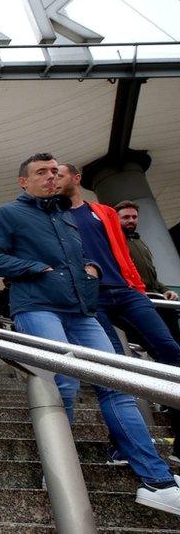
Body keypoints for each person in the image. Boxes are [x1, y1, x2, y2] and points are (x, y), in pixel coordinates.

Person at [0, 152, 180, 517]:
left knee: (117, 384)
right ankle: (56, 471)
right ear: (24, 181)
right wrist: (38, 268)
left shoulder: (66, 218)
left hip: (81, 312)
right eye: (41, 172)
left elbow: (83, 261)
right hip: (37, 307)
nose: (51, 177)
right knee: (64, 385)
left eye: (55, 172)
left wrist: (90, 277)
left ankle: (157, 481)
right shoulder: (9, 213)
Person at [54, 165, 180, 465]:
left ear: (76, 178)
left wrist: (136, 286)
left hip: (125, 292)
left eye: (58, 174)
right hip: (91, 297)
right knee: (111, 366)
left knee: (171, 352)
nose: (52, 179)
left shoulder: (104, 213)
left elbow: (121, 252)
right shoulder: (53, 215)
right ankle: (120, 444)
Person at [116, 200, 180, 347]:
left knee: (173, 340)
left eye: (134, 217)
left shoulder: (139, 242)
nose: (131, 220)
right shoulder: (115, 243)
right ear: (115, 218)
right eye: (126, 217)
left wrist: (165, 290)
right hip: (137, 302)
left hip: (157, 301)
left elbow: (152, 277)